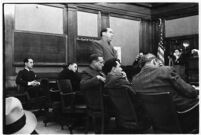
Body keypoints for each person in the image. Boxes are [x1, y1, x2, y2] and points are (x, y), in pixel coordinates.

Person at [132, 53, 199, 133]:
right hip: (184, 115)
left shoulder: (135, 80)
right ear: (154, 61)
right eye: (159, 63)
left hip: (158, 120)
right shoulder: (166, 70)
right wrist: (195, 89)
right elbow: (191, 92)